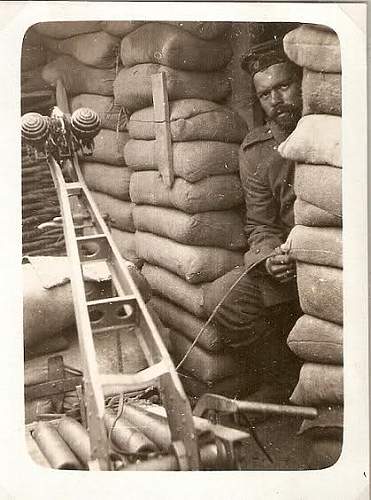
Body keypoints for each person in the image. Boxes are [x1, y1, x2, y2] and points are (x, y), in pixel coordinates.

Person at [204, 37, 303, 396]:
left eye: (284, 86)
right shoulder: (257, 152)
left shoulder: (332, 132)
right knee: (223, 298)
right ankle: (283, 381)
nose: (277, 101)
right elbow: (260, 224)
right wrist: (269, 258)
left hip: (334, 259)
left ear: (303, 81)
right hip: (293, 264)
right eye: (265, 94)